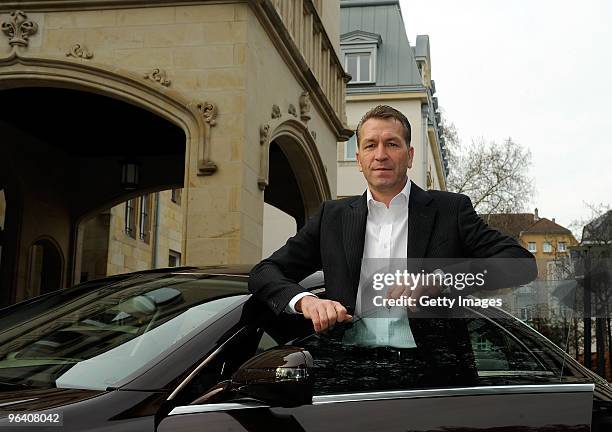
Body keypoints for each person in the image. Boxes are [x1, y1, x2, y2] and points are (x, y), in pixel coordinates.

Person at [249, 105, 537, 336]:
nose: (381, 155)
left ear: (410, 156)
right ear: (359, 158)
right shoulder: (331, 218)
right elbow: (265, 272)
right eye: (371, 145)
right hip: (349, 377)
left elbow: (521, 264)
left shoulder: (451, 211)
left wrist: (438, 280)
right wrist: (305, 302)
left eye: (392, 144)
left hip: (433, 380)